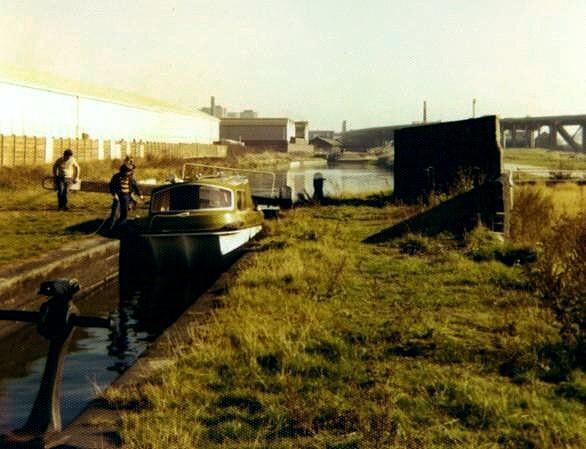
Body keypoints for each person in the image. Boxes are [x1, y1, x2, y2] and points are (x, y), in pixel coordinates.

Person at [108, 165, 143, 230]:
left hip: (126, 196)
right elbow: (111, 186)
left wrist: (140, 195)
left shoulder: (130, 178)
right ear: (123, 171)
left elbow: (135, 186)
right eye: (128, 171)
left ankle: (122, 225)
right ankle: (111, 227)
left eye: (130, 171)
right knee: (115, 212)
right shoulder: (116, 177)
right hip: (118, 196)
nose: (129, 173)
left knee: (124, 211)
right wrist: (114, 194)